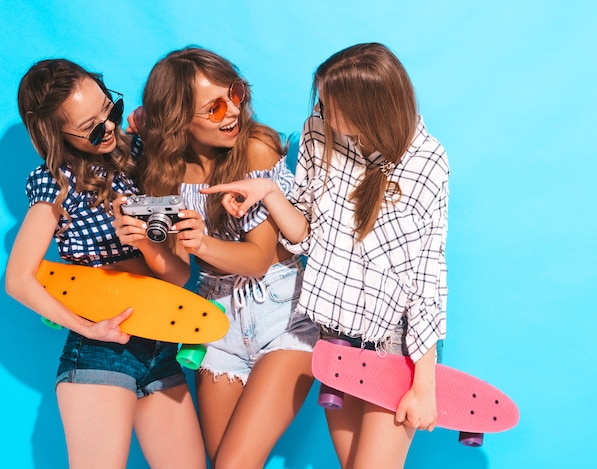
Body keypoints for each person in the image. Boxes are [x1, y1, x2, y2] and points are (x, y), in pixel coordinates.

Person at [204, 42, 449, 469]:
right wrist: (270, 193)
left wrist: (424, 386)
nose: (318, 110)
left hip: (395, 345)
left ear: (366, 109)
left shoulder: (427, 164)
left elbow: (426, 281)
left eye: (328, 104)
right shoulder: (319, 131)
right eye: (318, 100)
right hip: (336, 336)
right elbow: (306, 234)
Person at [117, 47, 319, 469]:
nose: (232, 113)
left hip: (282, 315)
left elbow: (260, 259)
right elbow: (175, 275)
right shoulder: (162, 171)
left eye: (236, 94)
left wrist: (202, 243)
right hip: (214, 323)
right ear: (178, 120)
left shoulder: (256, 148)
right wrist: (148, 242)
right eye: (213, 108)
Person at [5, 59, 206, 469]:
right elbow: (18, 280)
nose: (109, 127)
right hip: (99, 351)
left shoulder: (139, 156)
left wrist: (146, 242)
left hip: (162, 346)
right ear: (54, 134)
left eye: (109, 110)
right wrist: (86, 328)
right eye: (93, 128)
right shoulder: (56, 181)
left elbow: (179, 275)